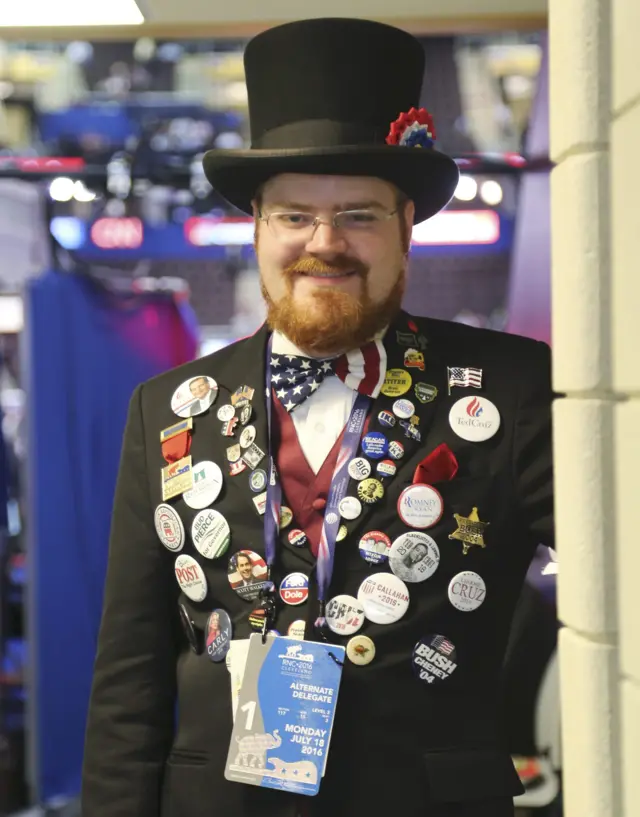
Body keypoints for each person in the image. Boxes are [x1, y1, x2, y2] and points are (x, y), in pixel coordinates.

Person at [82, 17, 553, 817]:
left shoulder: (510, 387)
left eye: (359, 215)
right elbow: (130, 676)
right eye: (295, 214)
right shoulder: (166, 410)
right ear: (258, 226)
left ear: (407, 230)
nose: (323, 243)